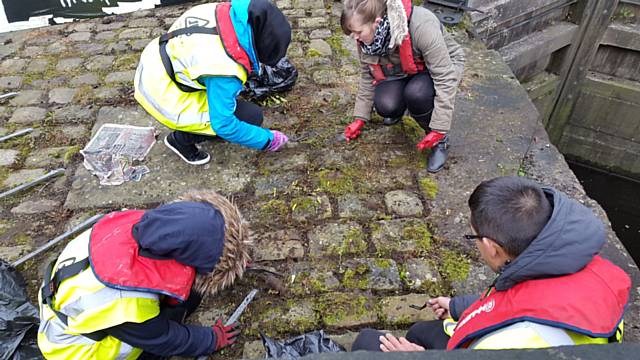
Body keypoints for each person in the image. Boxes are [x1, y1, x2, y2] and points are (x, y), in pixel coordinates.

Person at [352, 176, 631, 351]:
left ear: (491, 248)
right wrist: (458, 306)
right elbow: (531, 300)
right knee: (420, 331)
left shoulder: (513, 342)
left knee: (367, 342)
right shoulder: (581, 264)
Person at [37, 191, 251, 359]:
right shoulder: (122, 303)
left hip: (75, 294)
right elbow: (165, 338)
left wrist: (233, 255)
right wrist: (210, 339)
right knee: (156, 337)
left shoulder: (144, 225)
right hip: (78, 350)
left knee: (184, 297)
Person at [134, 0, 292, 165]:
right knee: (250, 117)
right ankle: (180, 140)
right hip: (160, 94)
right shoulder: (224, 70)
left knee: (226, 100)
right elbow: (224, 125)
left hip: (154, 63)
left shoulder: (218, 10)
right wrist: (267, 140)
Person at [341, 0, 465, 173]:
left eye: (357, 32)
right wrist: (360, 118)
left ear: (377, 23)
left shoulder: (422, 26)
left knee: (417, 95)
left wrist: (439, 128)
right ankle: (402, 106)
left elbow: (445, 77)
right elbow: (367, 76)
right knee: (386, 105)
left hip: (440, 67)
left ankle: (440, 142)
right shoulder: (366, 40)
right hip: (403, 71)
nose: (355, 37)